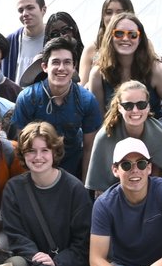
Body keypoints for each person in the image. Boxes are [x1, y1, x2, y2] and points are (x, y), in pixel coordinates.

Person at [0, 121, 96, 266]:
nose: (38, 157)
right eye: (31, 151)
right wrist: (41, 264)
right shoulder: (14, 189)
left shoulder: (74, 189)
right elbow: (16, 236)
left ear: (55, 152)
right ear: (23, 155)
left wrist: (56, 264)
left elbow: (84, 243)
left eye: (44, 150)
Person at [12, 39, 104, 175]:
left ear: (74, 67)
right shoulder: (27, 97)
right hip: (36, 168)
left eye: (67, 62)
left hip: (73, 169)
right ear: (45, 66)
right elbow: (22, 146)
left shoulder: (86, 100)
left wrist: (85, 188)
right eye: (55, 62)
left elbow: (89, 149)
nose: (61, 68)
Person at [82, 80, 162, 191]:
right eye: (128, 105)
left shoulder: (160, 135)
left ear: (148, 107)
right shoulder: (105, 136)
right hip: (115, 196)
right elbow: (99, 188)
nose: (135, 110)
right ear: (119, 107)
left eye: (141, 105)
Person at [87, 12, 162, 118]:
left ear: (140, 39)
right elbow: (99, 120)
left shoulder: (156, 69)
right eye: (119, 34)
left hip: (153, 131)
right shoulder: (98, 73)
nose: (125, 38)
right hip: (115, 132)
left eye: (133, 35)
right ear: (110, 37)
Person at [7, 0, 51, 80]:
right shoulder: (11, 41)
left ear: (43, 10)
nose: (25, 13)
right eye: (20, 10)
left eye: (30, 8)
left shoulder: (55, 38)